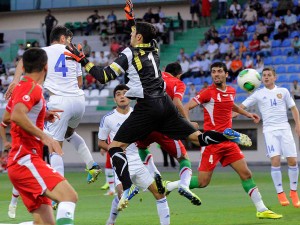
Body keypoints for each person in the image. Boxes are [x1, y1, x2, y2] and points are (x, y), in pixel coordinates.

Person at [64, 0, 252, 211]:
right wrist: (131, 19)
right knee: (198, 138)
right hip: (165, 103)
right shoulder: (154, 48)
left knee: (116, 147)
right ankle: (227, 135)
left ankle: (126, 188)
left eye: (132, 33)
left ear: (138, 38)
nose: (129, 36)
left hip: (147, 107)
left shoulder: (129, 53)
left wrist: (83, 60)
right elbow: (142, 35)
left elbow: (104, 76)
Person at [180, 62, 282, 219]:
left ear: (226, 74)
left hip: (229, 142)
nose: (216, 74)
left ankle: (261, 209)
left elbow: (230, 105)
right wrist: (191, 128)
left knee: (246, 174)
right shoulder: (207, 92)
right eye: (213, 72)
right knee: (202, 182)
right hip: (212, 143)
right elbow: (186, 108)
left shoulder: (231, 91)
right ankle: (171, 185)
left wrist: (247, 114)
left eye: (219, 71)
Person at [5, 26, 101, 184]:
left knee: (54, 146)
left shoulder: (44, 52)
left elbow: (23, 60)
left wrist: (15, 80)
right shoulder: (75, 53)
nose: (70, 42)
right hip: (79, 101)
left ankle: (58, 189)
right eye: (69, 39)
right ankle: (91, 165)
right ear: (63, 38)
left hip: (60, 101)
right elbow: (79, 82)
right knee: (69, 133)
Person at [7, 48, 78, 225]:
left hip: (21, 162)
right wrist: (46, 137)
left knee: (45, 224)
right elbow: (16, 115)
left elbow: (10, 116)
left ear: (23, 66)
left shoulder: (21, 87)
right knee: (69, 196)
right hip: (25, 160)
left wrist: (42, 114)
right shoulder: (33, 88)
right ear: (46, 66)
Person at [99, 84, 170, 225]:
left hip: (138, 161)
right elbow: (101, 142)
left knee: (160, 194)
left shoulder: (138, 115)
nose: (122, 96)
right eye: (118, 94)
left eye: (125, 93)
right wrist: (115, 150)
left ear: (130, 97)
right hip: (121, 163)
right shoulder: (108, 118)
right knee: (122, 196)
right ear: (114, 100)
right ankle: (111, 221)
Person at [238, 67, 300, 208]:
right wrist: (229, 114)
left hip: (285, 128)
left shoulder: (283, 91)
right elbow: (241, 106)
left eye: (269, 75)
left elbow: (294, 108)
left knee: (292, 160)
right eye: (264, 75)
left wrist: (298, 125)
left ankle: (294, 192)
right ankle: (280, 193)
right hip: (270, 131)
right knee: (276, 160)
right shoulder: (258, 94)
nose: (266, 77)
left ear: (274, 77)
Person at [0, 108, 20, 219]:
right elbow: (2, 124)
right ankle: (13, 203)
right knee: (17, 178)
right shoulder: (15, 114)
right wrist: (5, 141)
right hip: (18, 150)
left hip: (34, 148)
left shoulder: (35, 112)